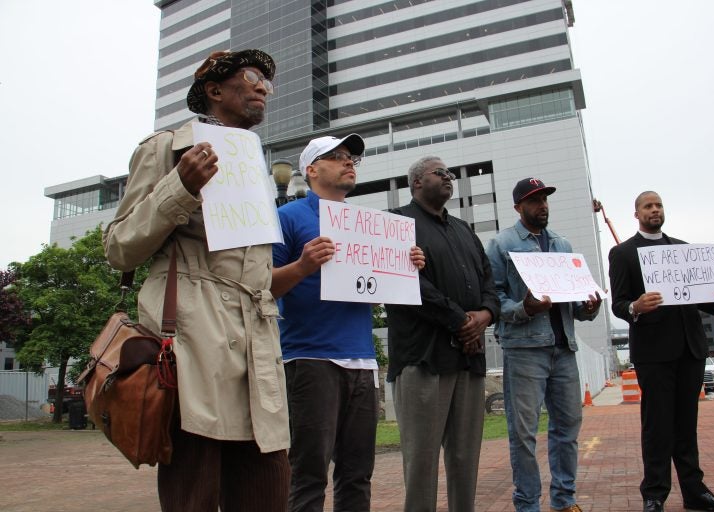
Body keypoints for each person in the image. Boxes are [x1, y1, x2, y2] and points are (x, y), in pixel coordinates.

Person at [103, 49, 290, 511]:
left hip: (258, 346)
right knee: (195, 492)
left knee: (268, 489)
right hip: (192, 340)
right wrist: (179, 187)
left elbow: (256, 271)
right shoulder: (165, 148)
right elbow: (119, 247)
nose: (263, 87)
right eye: (252, 77)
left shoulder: (255, 165)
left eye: (268, 81)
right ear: (214, 90)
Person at [270, 135, 425, 512]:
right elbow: (263, 284)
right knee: (309, 473)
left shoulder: (365, 224)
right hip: (309, 358)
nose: (348, 162)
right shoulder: (287, 217)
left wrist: (404, 267)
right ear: (311, 170)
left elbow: (372, 290)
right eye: (336, 157)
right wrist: (302, 266)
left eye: (352, 157)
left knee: (358, 474)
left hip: (362, 359)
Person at [608, 191, 714, 512]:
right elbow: (619, 303)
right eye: (648, 206)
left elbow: (706, 299)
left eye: (658, 205)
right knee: (657, 426)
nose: (654, 210)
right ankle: (654, 494)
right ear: (636, 213)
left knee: (686, 424)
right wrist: (636, 307)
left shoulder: (685, 251)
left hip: (690, 349)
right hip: (654, 353)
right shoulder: (623, 253)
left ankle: (695, 492)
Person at [384, 156, 500, 512]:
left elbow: (488, 284)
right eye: (440, 173)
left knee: (466, 457)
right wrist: (459, 320)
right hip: (423, 357)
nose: (448, 177)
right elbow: (405, 284)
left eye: (450, 173)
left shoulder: (465, 230)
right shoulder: (397, 223)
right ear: (417, 182)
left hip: (468, 358)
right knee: (421, 459)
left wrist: (483, 316)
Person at [485, 177, 602, 512]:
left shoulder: (563, 246)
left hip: (564, 347)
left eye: (545, 199)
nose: (542, 206)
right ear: (518, 207)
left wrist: (588, 308)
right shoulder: (501, 244)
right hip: (524, 350)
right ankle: (527, 504)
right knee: (523, 433)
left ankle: (564, 500)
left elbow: (576, 303)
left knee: (568, 428)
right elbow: (494, 299)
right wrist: (525, 308)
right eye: (535, 200)